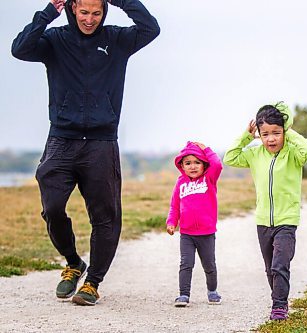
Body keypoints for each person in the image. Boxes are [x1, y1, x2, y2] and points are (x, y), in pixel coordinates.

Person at [11, 0, 160, 306]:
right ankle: (72, 262)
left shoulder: (117, 40)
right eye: (84, 12)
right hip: (61, 140)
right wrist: (48, 13)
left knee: (105, 217)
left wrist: (122, 1)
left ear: (104, 11)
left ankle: (92, 282)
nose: (90, 19)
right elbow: (20, 48)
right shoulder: (55, 40)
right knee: (52, 208)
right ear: (72, 8)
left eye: (97, 12)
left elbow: (150, 28)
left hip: (101, 143)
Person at [223, 102, 307, 320]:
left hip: (287, 220)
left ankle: (279, 306)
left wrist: (289, 131)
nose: (271, 139)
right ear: (259, 135)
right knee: (269, 269)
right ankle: (279, 299)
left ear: (284, 131)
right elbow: (230, 157)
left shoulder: (294, 154)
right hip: (263, 221)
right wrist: (246, 136)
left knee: (279, 265)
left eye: (276, 132)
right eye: (265, 134)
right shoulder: (255, 154)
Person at [166, 141, 223, 307]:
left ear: (204, 164)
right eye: (188, 163)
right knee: (186, 264)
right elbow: (174, 206)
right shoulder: (180, 183)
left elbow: (217, 164)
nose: (192, 166)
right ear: (182, 166)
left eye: (197, 162)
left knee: (209, 265)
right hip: (187, 234)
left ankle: (212, 291)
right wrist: (171, 222)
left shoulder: (209, 179)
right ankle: (183, 295)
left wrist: (206, 149)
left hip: (206, 233)